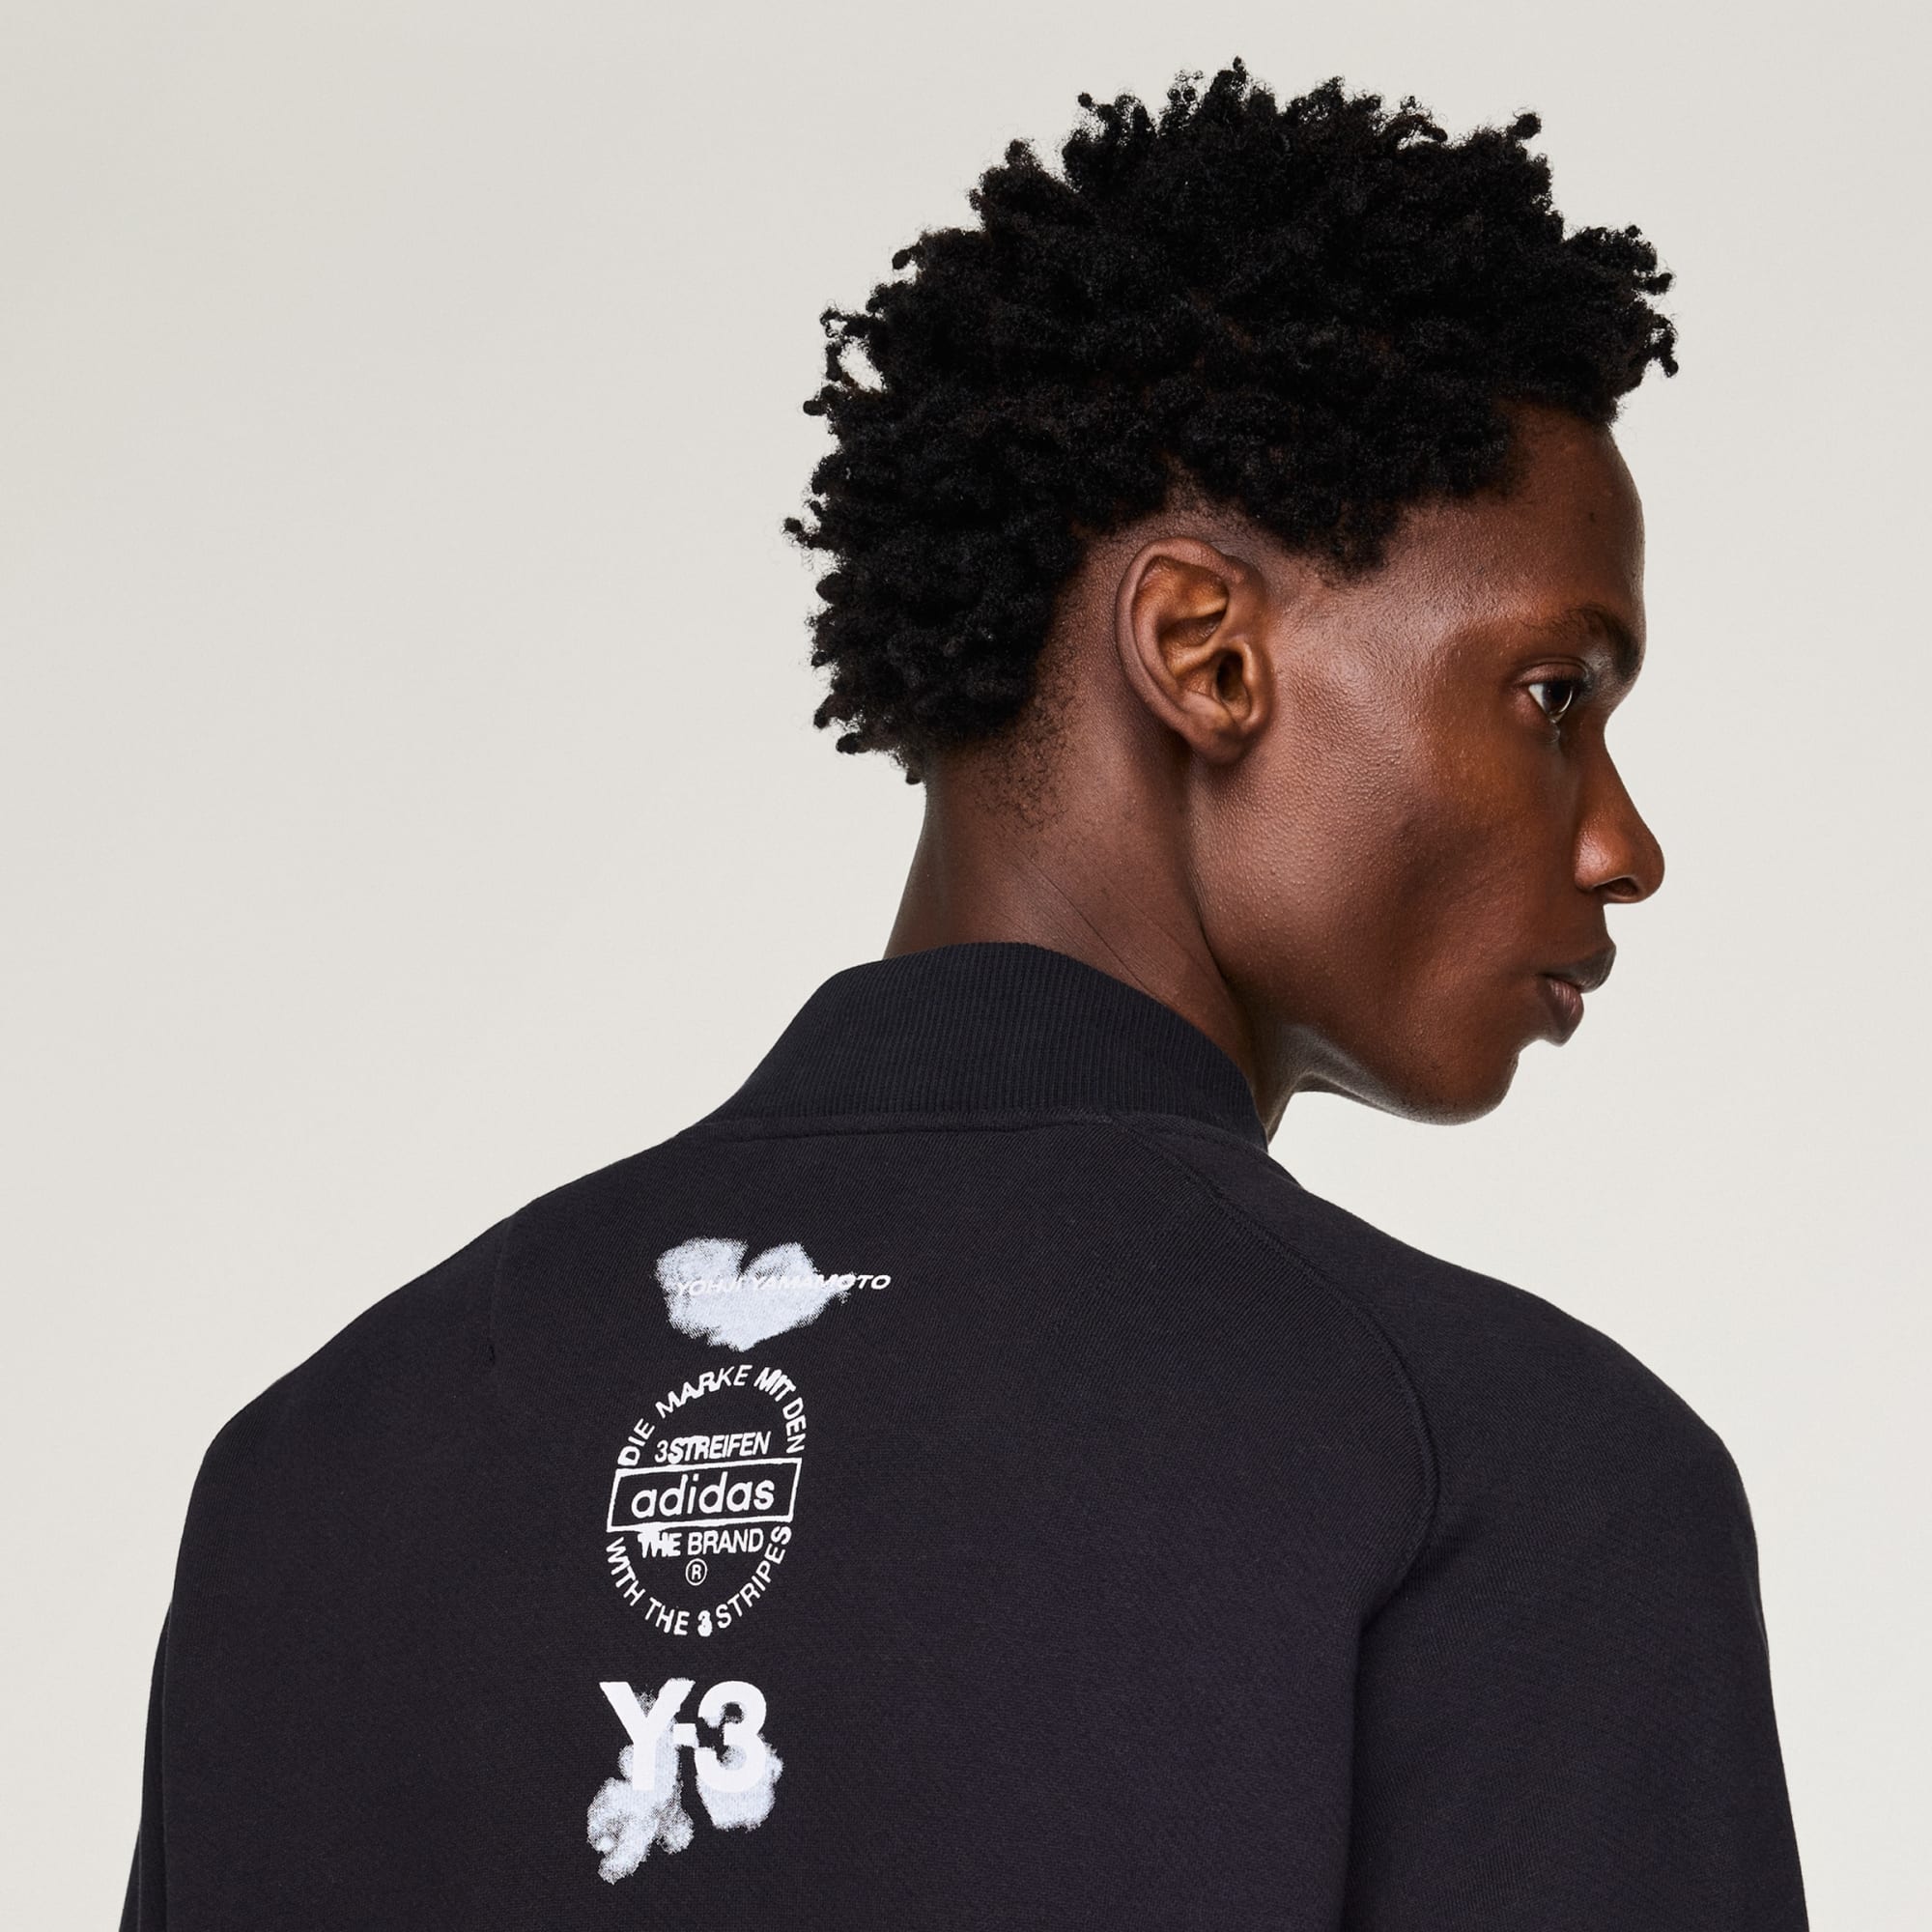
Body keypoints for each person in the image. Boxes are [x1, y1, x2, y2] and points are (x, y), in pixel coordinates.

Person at [122, 64, 1809, 1929]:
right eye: (1557, 696)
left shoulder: (310, 1475)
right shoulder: (1512, 1491)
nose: (1624, 846)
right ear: (1204, 653)